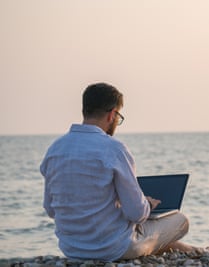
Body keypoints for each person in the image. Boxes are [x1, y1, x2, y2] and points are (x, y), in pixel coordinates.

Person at [40, 82, 197, 261]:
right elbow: (137, 214)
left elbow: (51, 209)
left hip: (72, 249)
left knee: (141, 228)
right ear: (112, 114)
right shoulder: (114, 149)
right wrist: (147, 204)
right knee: (181, 220)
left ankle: (180, 247)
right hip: (114, 249)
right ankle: (175, 246)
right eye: (118, 117)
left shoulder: (54, 149)